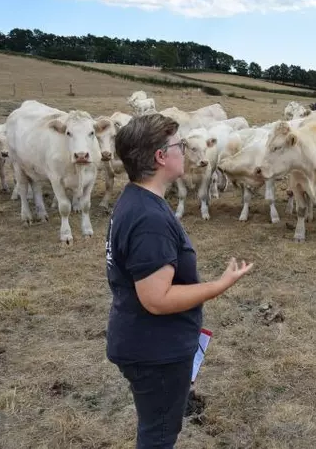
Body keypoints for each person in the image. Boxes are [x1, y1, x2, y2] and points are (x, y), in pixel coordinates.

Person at [104, 112, 254, 449]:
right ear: (161, 157)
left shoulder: (135, 201)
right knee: (158, 435)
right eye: (180, 145)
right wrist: (221, 284)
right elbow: (156, 299)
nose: (184, 151)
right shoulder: (148, 219)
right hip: (155, 350)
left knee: (157, 426)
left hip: (144, 341)